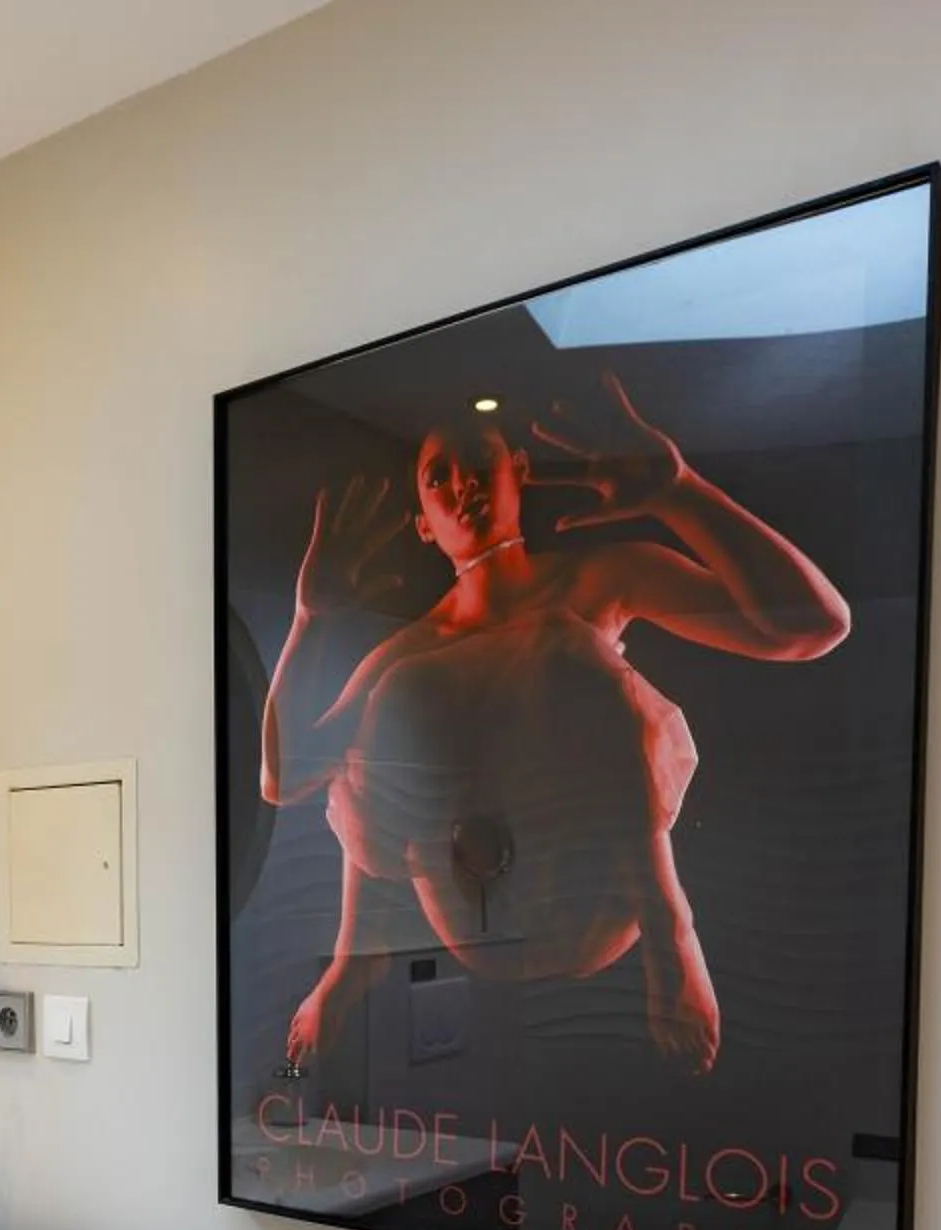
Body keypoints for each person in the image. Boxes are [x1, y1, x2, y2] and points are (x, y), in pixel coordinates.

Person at [261, 372, 852, 1076]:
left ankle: (671, 927)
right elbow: (283, 781)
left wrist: (680, 493)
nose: (461, 484)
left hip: (596, 895)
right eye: (438, 477)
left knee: (558, 644)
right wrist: (311, 620)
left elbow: (814, 627)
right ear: (423, 523)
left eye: (478, 461)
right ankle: (354, 960)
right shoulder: (409, 653)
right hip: (475, 916)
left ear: (519, 471)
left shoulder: (598, 580)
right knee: (395, 704)